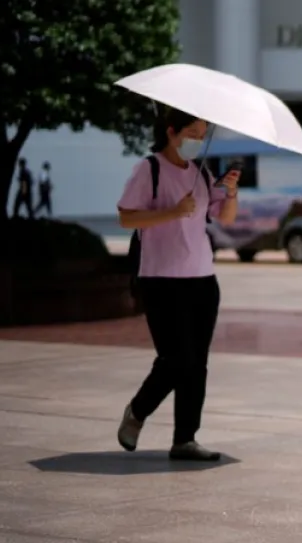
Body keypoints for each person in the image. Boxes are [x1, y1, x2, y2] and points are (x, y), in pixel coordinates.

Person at [115, 107, 240, 461]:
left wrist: (230, 192)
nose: (198, 142)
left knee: (196, 362)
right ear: (172, 132)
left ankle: (185, 438)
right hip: (160, 280)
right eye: (194, 134)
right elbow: (126, 217)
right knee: (175, 359)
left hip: (202, 280)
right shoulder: (149, 169)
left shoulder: (201, 175)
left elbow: (224, 218)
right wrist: (172, 211)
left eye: (202, 136)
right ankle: (137, 412)